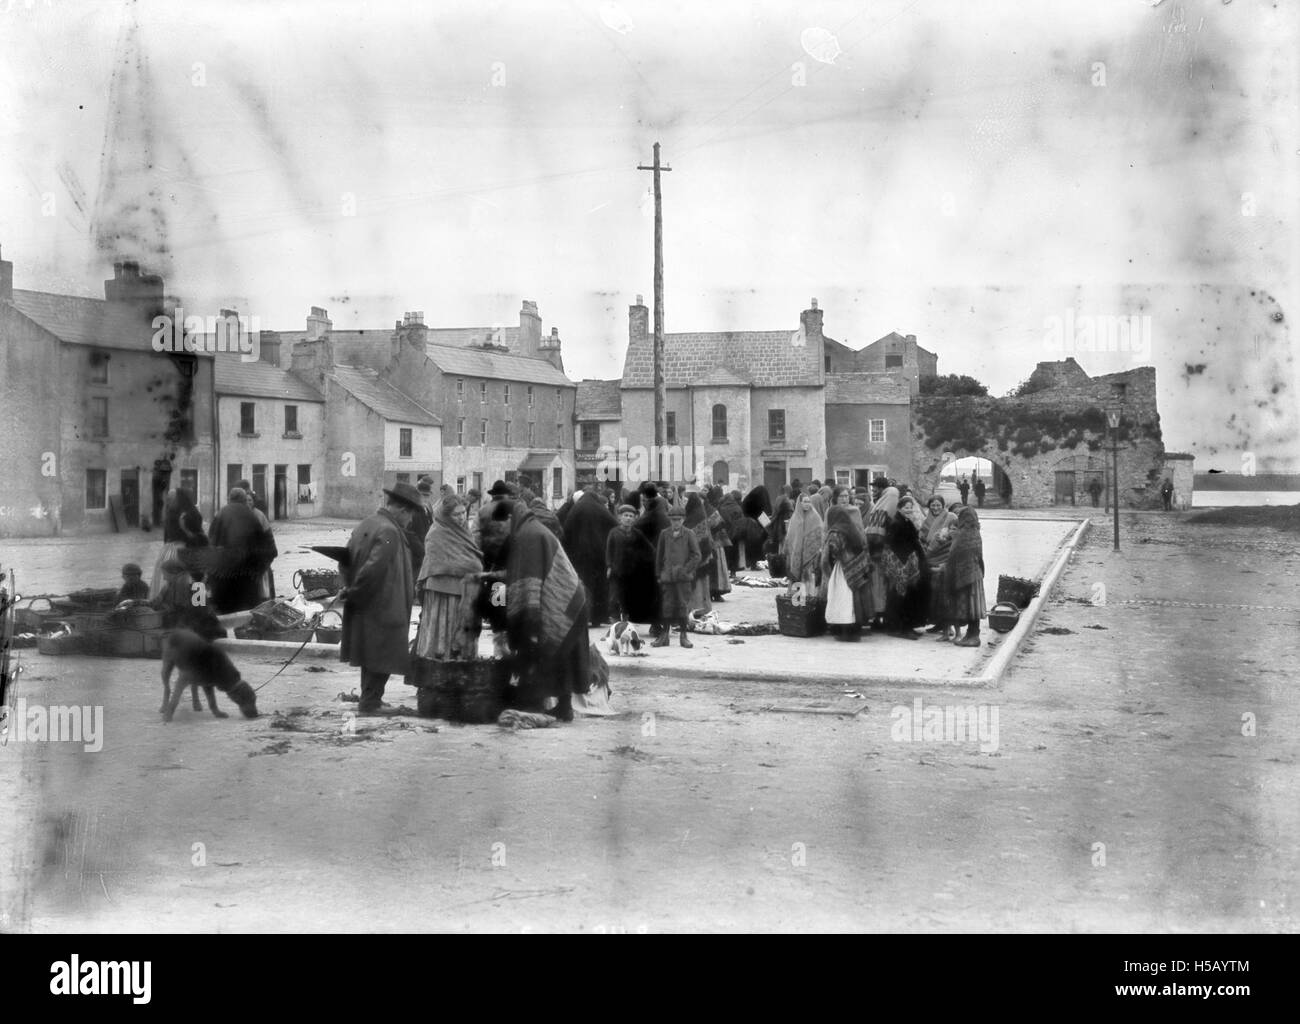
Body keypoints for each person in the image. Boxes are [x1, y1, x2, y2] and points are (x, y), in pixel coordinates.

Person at [482, 497, 591, 721]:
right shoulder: (522, 531)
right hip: (569, 602)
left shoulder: (527, 536)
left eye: (499, 524)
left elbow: (528, 587)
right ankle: (561, 705)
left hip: (562, 603)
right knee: (558, 652)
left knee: (546, 648)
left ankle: (546, 704)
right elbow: (501, 578)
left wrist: (514, 625)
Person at [339, 483, 424, 715]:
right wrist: (356, 591)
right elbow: (374, 567)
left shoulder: (367, 523)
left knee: (371, 653)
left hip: (368, 605)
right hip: (385, 605)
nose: (410, 521)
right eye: (411, 516)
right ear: (403, 510)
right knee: (383, 654)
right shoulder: (390, 531)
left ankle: (370, 699)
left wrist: (349, 588)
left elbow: (344, 560)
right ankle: (370, 702)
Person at [411, 494, 483, 668]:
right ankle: (438, 670)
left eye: (463, 513)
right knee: (442, 636)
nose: (461, 517)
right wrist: (473, 566)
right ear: (446, 516)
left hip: (463, 592)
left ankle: (460, 672)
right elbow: (439, 561)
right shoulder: (436, 533)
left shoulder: (465, 532)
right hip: (442, 592)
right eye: (456, 514)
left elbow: (472, 557)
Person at [563, 485, 618, 626]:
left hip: (580, 555)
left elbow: (566, 530)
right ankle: (598, 618)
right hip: (599, 554)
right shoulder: (600, 509)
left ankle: (584, 616)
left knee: (584, 585)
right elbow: (614, 525)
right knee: (600, 585)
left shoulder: (576, 509)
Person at [206, 488, 265, 613]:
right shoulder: (252, 516)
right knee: (247, 609)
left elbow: (212, 543)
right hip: (246, 573)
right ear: (243, 501)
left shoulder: (220, 514)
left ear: (229, 499)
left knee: (226, 608)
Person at [821, 504, 871, 641]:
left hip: (842, 569)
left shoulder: (835, 532)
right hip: (856, 569)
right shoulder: (854, 529)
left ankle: (844, 631)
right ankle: (854, 630)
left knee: (841, 600)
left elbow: (831, 553)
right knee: (853, 601)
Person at [653, 505, 700, 648]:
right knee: (667, 606)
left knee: (682, 605)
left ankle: (683, 636)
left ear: (683, 519)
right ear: (669, 520)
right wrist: (659, 574)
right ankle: (664, 635)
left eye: (678, 520)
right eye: (673, 520)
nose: (676, 523)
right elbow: (659, 555)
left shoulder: (689, 534)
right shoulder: (664, 534)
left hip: (682, 578)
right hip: (667, 577)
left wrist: (686, 570)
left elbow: (696, 555)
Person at [150, 558, 225, 640]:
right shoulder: (187, 579)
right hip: (213, 628)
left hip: (201, 632)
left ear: (174, 572)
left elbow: (182, 609)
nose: (164, 578)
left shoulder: (180, 582)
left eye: (165, 574)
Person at [628, 482, 670, 626]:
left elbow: (636, 530)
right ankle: (659, 624)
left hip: (651, 560)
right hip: (661, 559)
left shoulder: (652, 514)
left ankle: (657, 624)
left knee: (653, 594)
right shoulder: (662, 509)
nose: (643, 503)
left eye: (644, 500)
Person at [945, 505, 987, 647]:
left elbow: (955, 554)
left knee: (971, 606)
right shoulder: (975, 532)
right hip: (975, 574)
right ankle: (971, 634)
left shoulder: (964, 534)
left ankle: (974, 636)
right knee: (973, 605)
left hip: (967, 576)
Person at [921, 497, 959, 639]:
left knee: (943, 595)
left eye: (938, 505)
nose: (935, 508)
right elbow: (923, 536)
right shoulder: (927, 519)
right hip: (930, 558)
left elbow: (954, 536)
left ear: (943, 506)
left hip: (944, 559)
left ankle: (946, 626)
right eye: (932, 505)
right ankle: (938, 623)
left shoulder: (950, 517)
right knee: (933, 596)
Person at [605, 504, 642, 623]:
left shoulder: (636, 534)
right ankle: (614, 624)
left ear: (634, 518)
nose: (628, 518)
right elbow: (609, 550)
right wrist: (609, 566)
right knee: (614, 597)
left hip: (631, 572)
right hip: (616, 570)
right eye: (625, 515)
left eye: (631, 516)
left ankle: (626, 624)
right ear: (620, 517)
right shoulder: (614, 532)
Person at [782, 492, 824, 595]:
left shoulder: (815, 517)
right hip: (796, 555)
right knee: (796, 581)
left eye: (809, 502)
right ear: (799, 503)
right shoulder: (795, 519)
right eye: (805, 502)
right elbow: (790, 538)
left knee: (809, 579)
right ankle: (796, 602)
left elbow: (820, 535)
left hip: (811, 558)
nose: (807, 504)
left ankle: (809, 599)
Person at [684, 491, 714, 616]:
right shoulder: (692, 513)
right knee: (699, 583)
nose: (684, 502)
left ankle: (699, 609)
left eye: (686, 500)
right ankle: (700, 608)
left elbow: (699, 537)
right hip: (698, 554)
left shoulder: (697, 515)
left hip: (700, 554)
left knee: (698, 583)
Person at [704, 486, 733, 600]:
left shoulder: (713, 509)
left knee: (717, 567)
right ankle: (710, 592)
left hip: (716, 543)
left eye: (706, 491)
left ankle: (717, 591)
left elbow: (721, 524)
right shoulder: (702, 509)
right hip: (707, 544)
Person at [718, 488, 746, 572]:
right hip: (735, 534)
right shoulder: (738, 508)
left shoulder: (721, 508)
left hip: (725, 534)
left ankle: (726, 570)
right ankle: (733, 571)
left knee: (726, 552)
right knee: (734, 552)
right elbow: (742, 521)